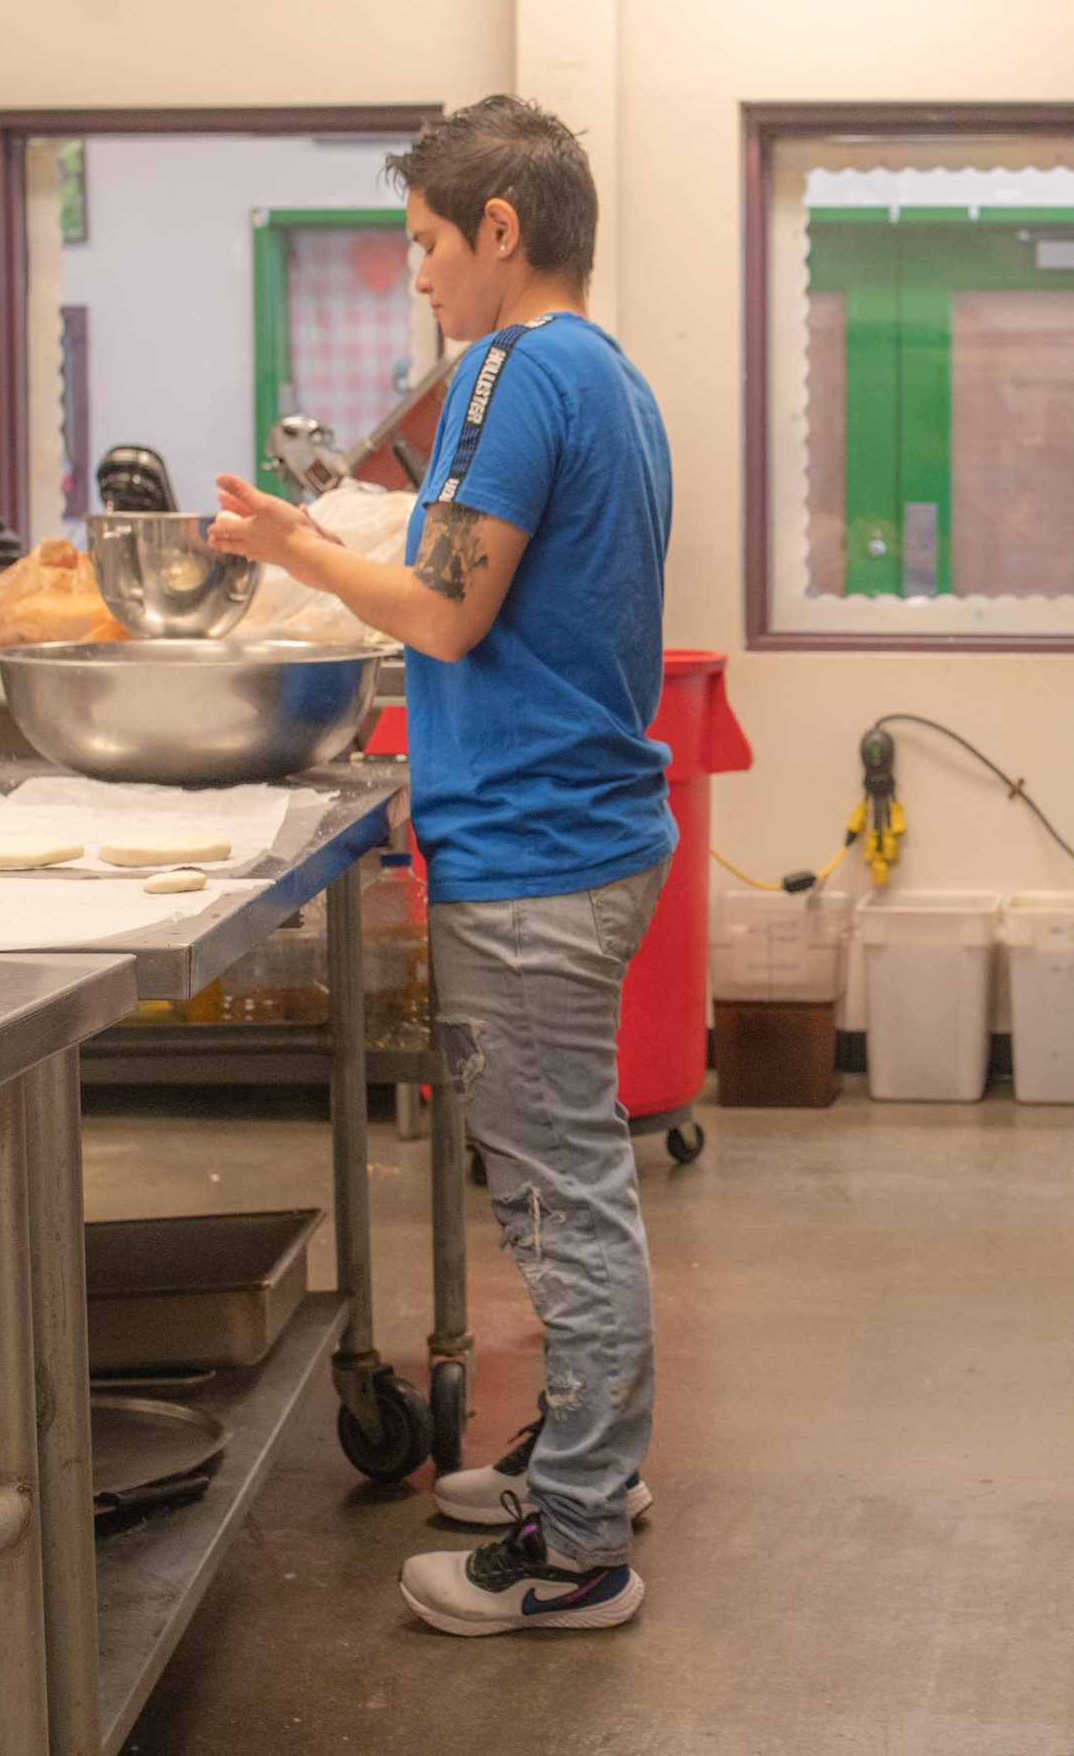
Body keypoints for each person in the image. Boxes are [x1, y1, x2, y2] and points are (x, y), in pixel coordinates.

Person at [211, 95, 676, 1637]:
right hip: (580, 837)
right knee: (559, 1181)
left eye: (424, 242)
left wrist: (293, 549)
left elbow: (442, 611)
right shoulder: (607, 374)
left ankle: (576, 1546)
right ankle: (585, 1462)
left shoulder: (508, 370)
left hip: (537, 855)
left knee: (561, 1194)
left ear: (500, 230)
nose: (416, 275)